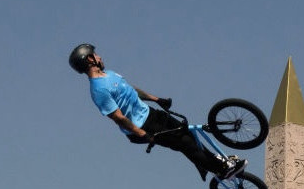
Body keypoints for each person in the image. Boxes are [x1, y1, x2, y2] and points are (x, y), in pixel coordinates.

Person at [68, 43, 247, 181]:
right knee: (185, 143)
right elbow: (118, 117)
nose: (100, 56)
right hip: (142, 127)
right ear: (89, 60)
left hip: (151, 114)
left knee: (189, 133)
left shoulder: (109, 74)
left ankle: (217, 163)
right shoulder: (98, 90)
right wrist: (143, 134)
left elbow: (131, 90)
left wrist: (157, 99)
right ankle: (221, 171)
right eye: (95, 54)